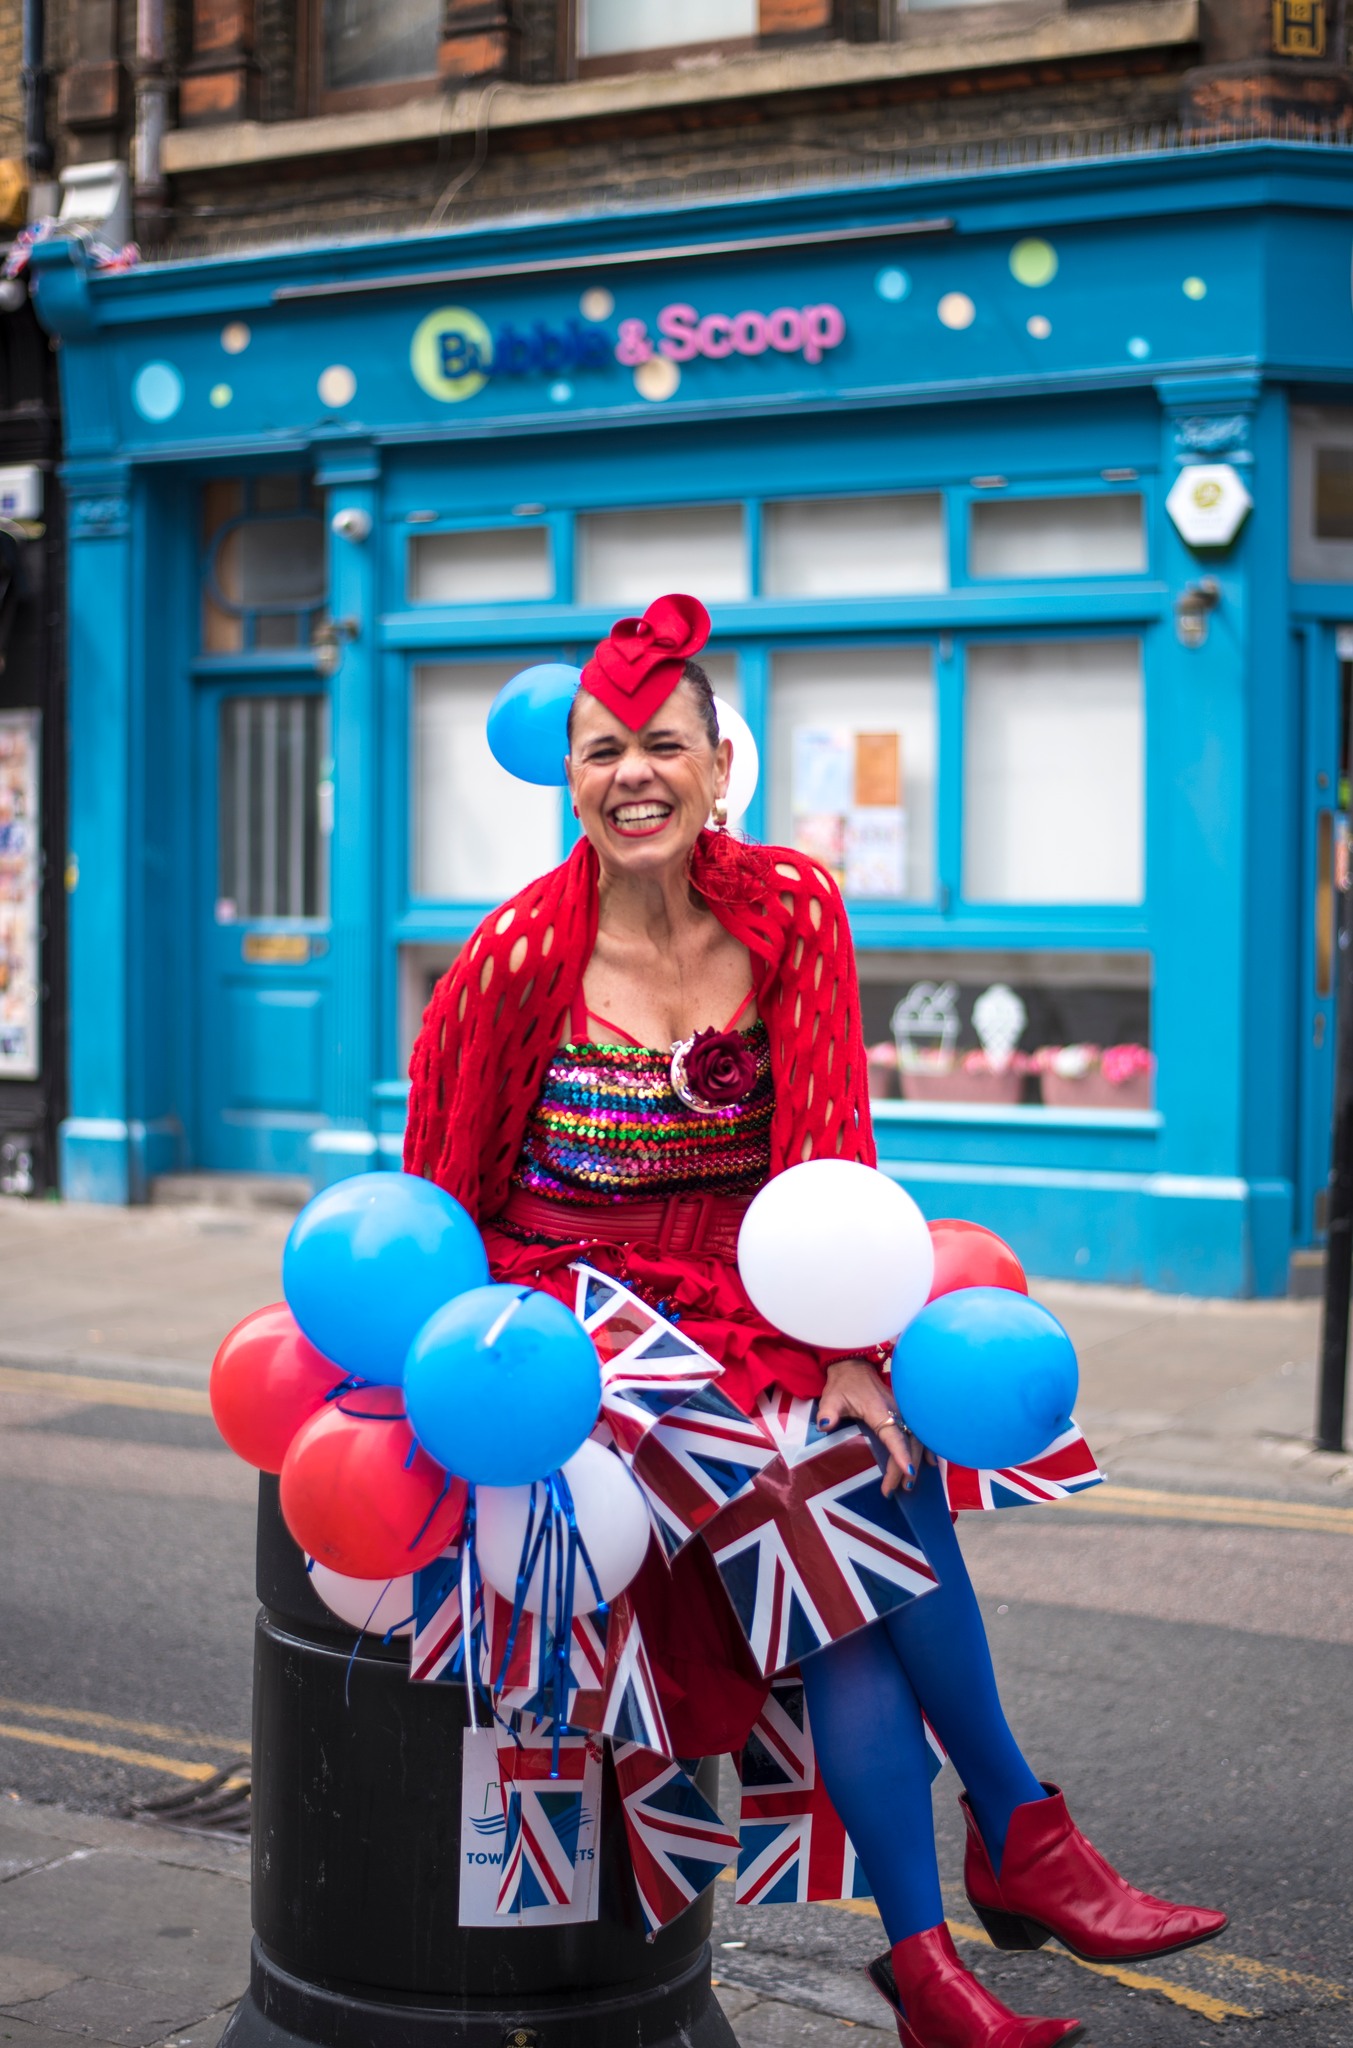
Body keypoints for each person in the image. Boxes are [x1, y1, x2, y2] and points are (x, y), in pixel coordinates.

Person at [404, 594, 1226, 2048]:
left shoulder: (791, 906)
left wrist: (848, 1346)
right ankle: (1015, 1849)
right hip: (573, 1307)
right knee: (824, 1517)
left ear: (722, 761)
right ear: (568, 775)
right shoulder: (516, 959)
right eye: (603, 751)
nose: (633, 774)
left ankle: (933, 1957)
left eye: (663, 744)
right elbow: (444, 1190)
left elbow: (829, 1146)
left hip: (752, 1284)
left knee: (872, 1488)